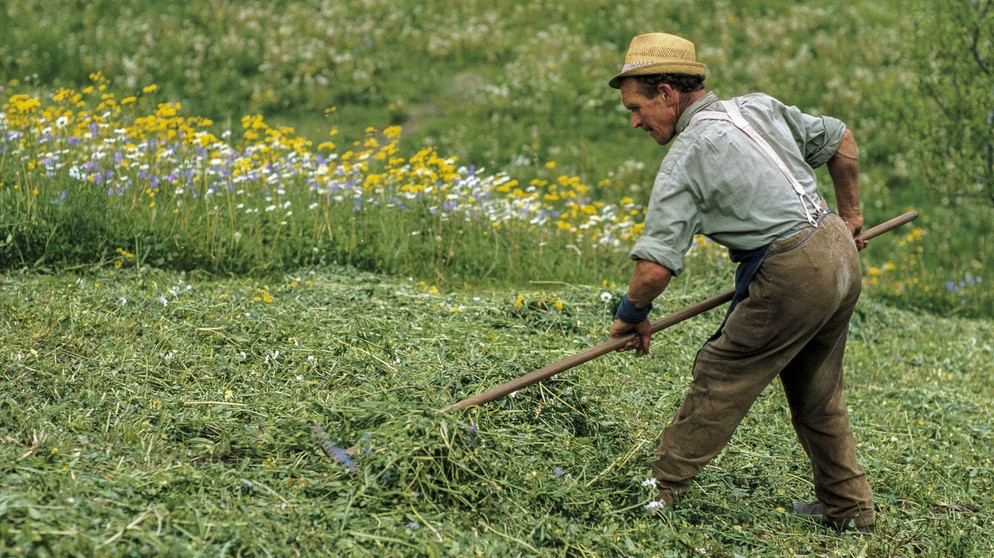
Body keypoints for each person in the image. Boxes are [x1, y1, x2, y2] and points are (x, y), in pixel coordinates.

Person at [607, 32, 875, 533]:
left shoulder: (687, 155)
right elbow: (841, 138)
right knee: (817, 390)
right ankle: (850, 509)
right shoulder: (756, 107)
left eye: (637, 107)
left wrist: (631, 317)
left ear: (667, 92)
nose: (635, 121)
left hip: (793, 271)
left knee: (721, 372)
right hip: (836, 253)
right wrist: (850, 218)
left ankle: (654, 498)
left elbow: (654, 268)